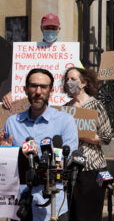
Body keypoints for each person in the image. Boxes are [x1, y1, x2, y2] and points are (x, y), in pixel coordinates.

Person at [0, 68, 78, 221]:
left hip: (54, 204)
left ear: (51, 90)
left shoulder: (65, 121)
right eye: (33, 86)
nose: (38, 91)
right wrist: (5, 150)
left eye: (43, 87)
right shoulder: (12, 122)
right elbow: (5, 167)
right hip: (21, 204)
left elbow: (69, 159)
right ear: (25, 89)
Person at [62, 67, 112, 221]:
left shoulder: (96, 105)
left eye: (73, 79)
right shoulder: (66, 108)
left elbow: (106, 137)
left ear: (83, 83)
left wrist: (82, 134)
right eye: (67, 79)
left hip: (92, 169)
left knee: (89, 214)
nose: (69, 82)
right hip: (71, 169)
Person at [2, 13, 62, 108]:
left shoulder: (69, 53)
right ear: (41, 29)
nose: (50, 31)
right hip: (33, 105)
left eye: (53, 28)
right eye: (47, 28)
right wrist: (14, 92)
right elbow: (20, 77)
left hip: (58, 105)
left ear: (59, 29)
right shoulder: (27, 52)